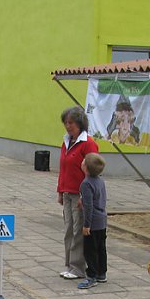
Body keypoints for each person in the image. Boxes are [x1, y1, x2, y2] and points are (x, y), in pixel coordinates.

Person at [57, 106, 99, 280]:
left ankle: (78, 268)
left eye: (71, 123)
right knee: (68, 230)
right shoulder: (66, 142)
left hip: (80, 194)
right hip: (67, 192)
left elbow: (93, 168)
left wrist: (84, 195)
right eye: (66, 123)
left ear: (80, 123)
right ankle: (69, 264)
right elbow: (63, 168)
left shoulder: (88, 143)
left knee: (77, 231)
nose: (68, 126)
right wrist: (60, 190)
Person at [77, 152, 108, 289]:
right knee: (101, 248)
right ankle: (102, 272)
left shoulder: (86, 183)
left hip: (93, 222)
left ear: (86, 168)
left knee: (90, 250)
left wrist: (86, 225)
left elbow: (89, 207)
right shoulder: (100, 180)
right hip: (102, 220)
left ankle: (92, 275)